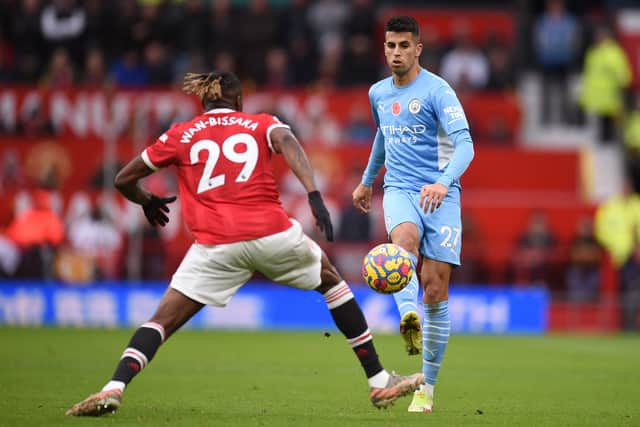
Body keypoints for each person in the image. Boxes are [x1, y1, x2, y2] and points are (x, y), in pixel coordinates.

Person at [65, 70, 424, 417]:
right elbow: (288, 142)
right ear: (238, 98)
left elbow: (123, 178)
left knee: (161, 321)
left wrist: (147, 201)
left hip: (215, 245)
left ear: (204, 102)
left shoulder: (181, 134)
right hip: (272, 233)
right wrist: (313, 194)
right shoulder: (260, 123)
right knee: (332, 284)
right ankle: (378, 380)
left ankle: (114, 388)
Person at [352, 16, 475, 413]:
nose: (396, 53)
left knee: (435, 288)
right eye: (390, 46)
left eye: (404, 46)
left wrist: (443, 183)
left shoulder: (439, 91)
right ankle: (409, 320)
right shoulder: (378, 93)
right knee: (402, 241)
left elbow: (466, 146)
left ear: (418, 48)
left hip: (442, 195)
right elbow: (383, 136)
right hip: (400, 190)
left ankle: (427, 388)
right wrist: (368, 180)